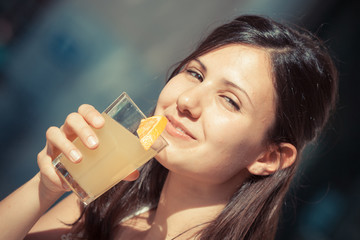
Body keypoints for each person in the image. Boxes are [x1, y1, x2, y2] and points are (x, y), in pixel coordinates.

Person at [0, 15, 338, 240]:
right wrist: (44, 188)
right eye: (194, 74)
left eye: (230, 100)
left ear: (269, 157)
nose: (188, 101)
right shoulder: (111, 197)